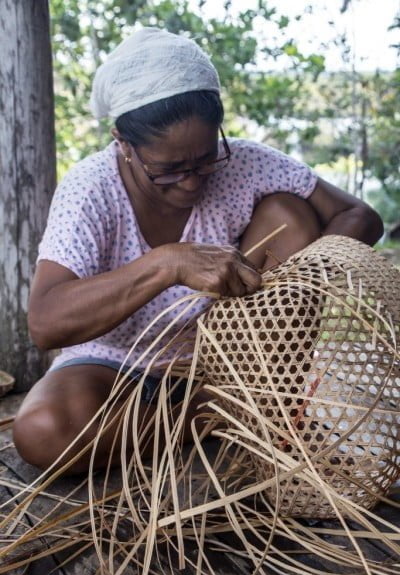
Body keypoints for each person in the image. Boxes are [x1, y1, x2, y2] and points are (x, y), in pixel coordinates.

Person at [12, 28, 383, 474]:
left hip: (231, 359)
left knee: (289, 214)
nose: (191, 181)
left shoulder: (247, 163)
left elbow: (359, 216)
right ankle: (222, 417)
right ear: (122, 142)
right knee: (43, 430)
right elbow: (45, 323)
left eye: (206, 160)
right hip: (114, 368)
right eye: (168, 170)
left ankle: (245, 400)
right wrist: (168, 262)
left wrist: (302, 276)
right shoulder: (90, 189)